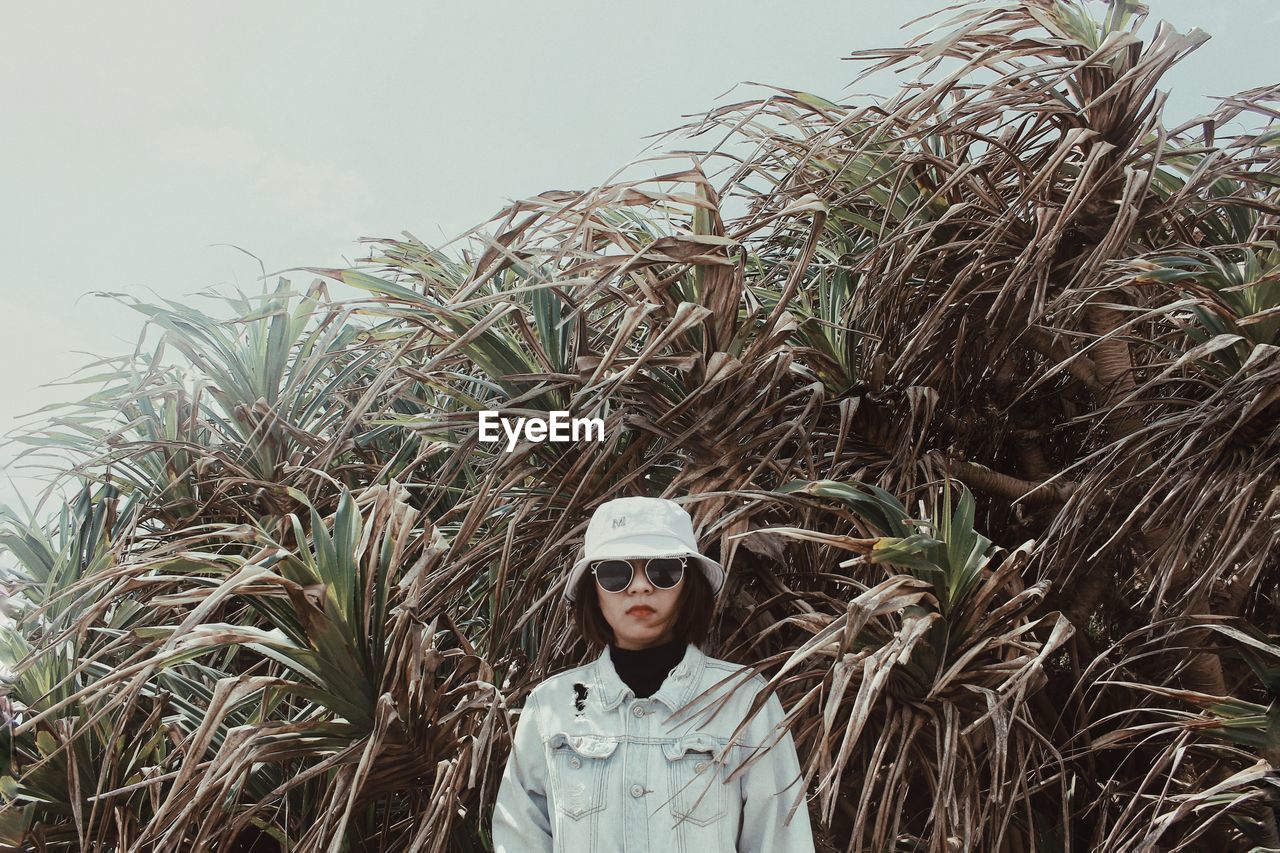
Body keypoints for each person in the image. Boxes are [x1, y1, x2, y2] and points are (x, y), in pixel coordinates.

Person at [491, 496, 815, 852]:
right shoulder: (552, 708)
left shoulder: (741, 701)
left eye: (663, 571)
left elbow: (781, 840)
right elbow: (519, 837)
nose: (640, 586)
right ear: (592, 590)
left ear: (688, 584)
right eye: (617, 572)